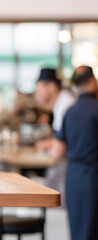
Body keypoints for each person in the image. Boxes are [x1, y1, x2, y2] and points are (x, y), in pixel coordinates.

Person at [50, 66, 98, 240]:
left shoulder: (69, 112)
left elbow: (58, 151)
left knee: (77, 230)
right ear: (92, 81)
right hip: (93, 176)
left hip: (74, 177)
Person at [34, 68, 76, 195]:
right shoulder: (63, 100)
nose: (37, 94)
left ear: (51, 87)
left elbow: (58, 150)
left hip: (71, 166)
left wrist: (46, 146)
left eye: (39, 89)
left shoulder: (64, 104)